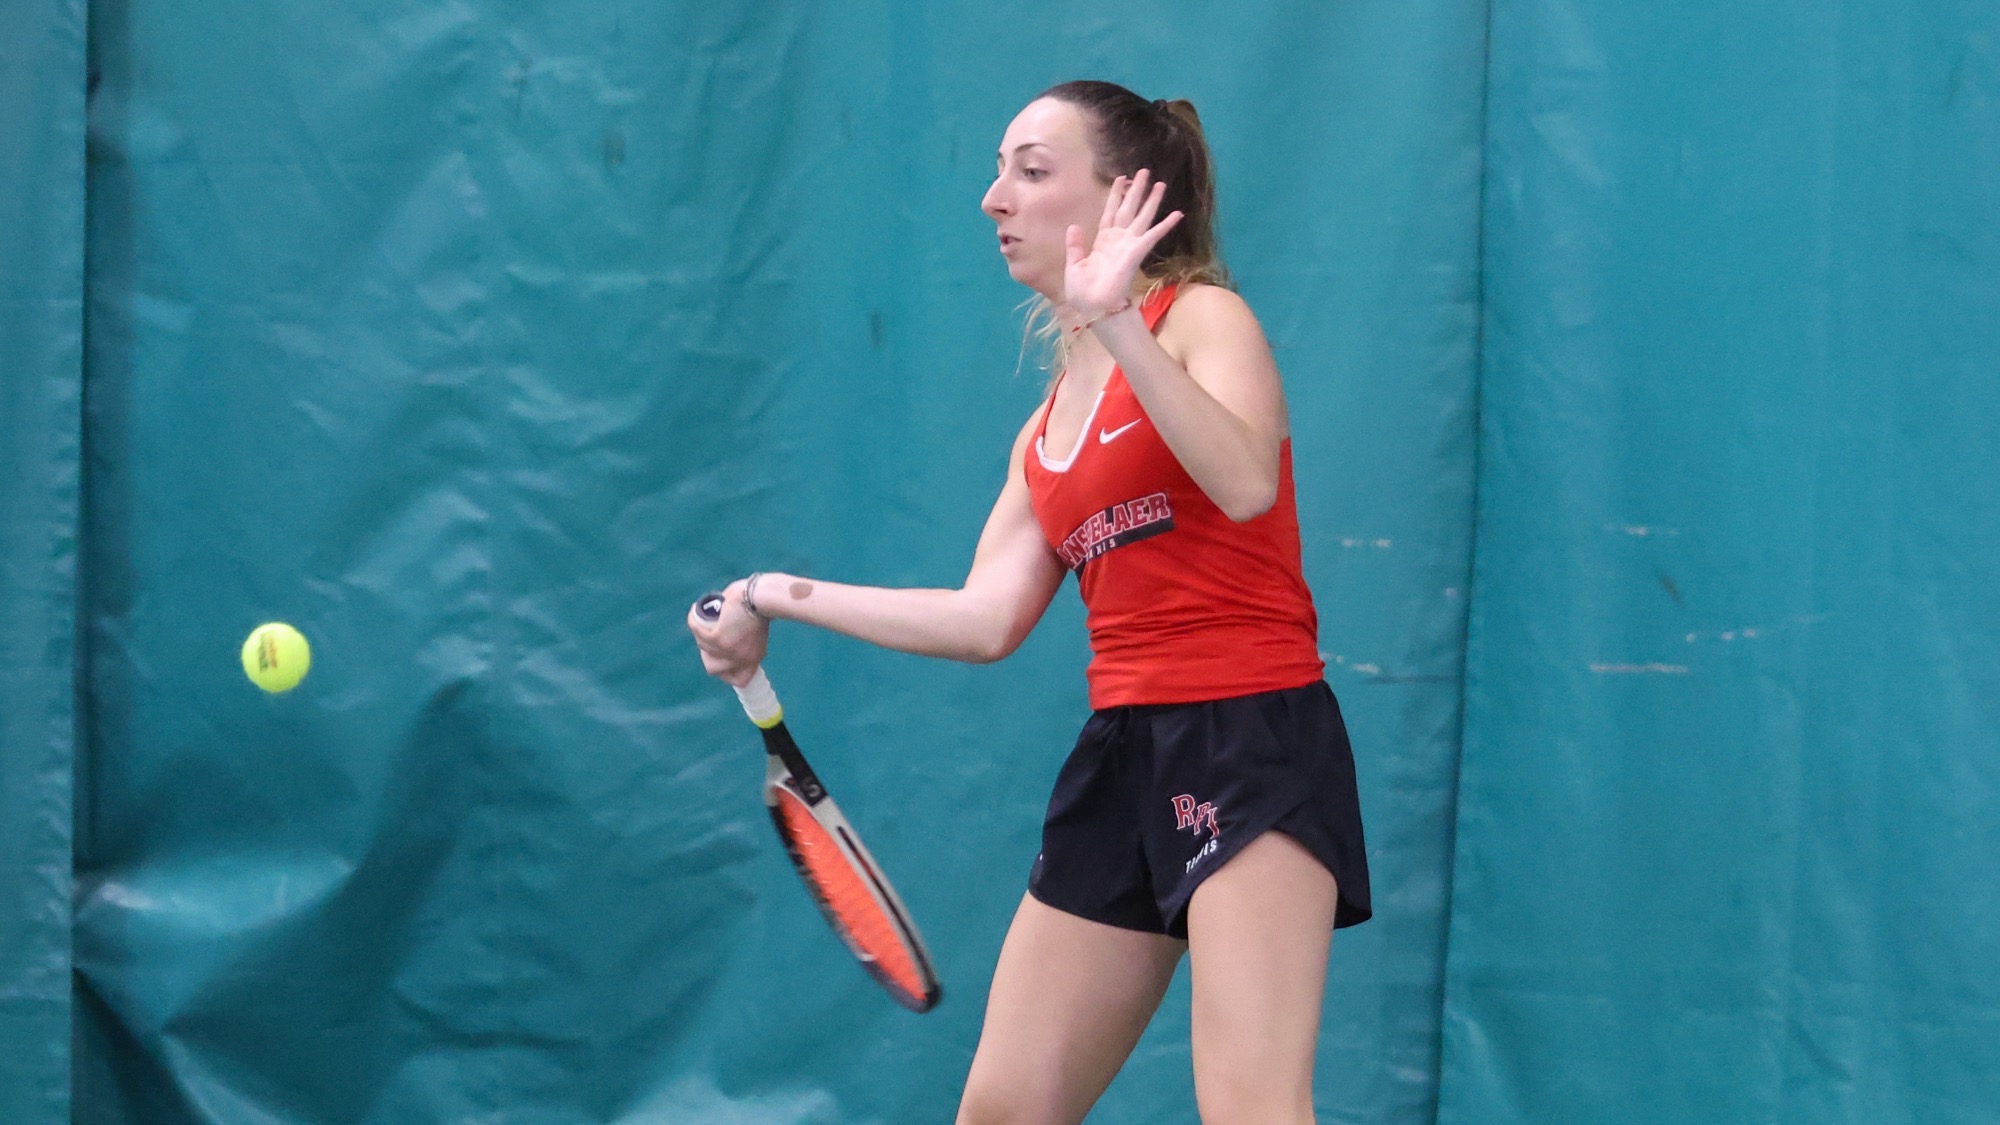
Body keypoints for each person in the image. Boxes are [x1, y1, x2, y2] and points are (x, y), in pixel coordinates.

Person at [687, 79, 1369, 1125]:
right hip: (1122, 754)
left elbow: (1243, 482)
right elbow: (984, 619)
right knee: (1001, 1112)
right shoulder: (1046, 427)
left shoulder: (1201, 322)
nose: (992, 198)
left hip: (1249, 737)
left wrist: (1122, 326)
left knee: (1251, 1109)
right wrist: (773, 595)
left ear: (1121, 199)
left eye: (1030, 170)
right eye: (999, 168)